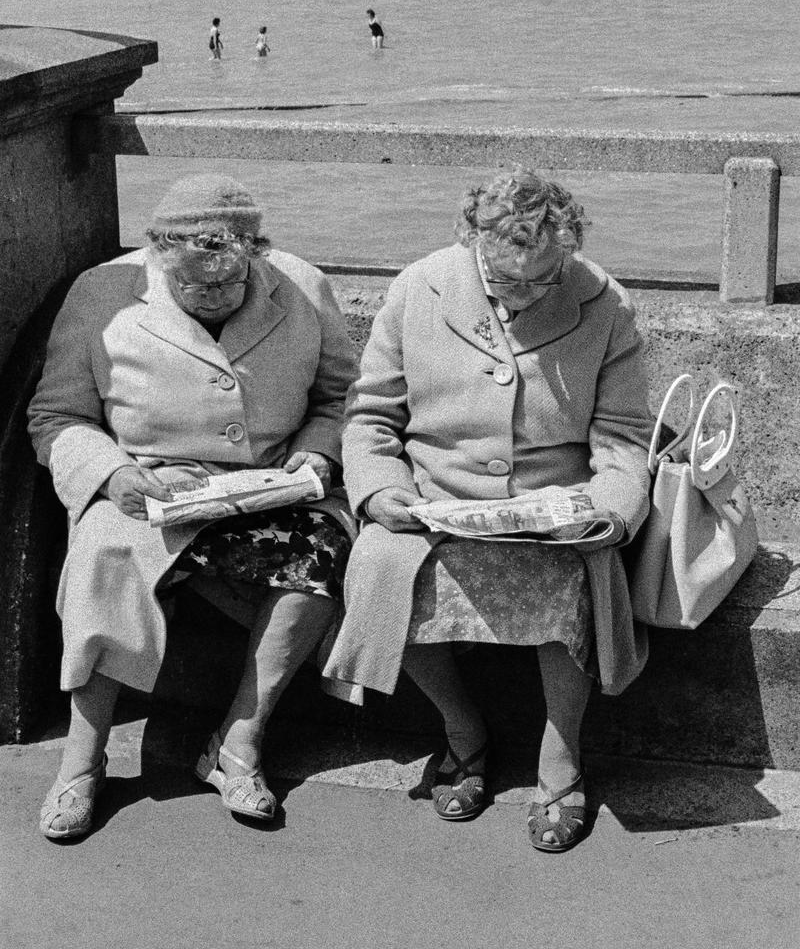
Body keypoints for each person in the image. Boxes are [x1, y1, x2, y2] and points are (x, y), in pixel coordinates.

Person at [324, 167, 653, 852]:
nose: (531, 293)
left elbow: (623, 439)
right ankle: (462, 729)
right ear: (473, 241)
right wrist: (382, 489)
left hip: (556, 504)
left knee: (574, 576)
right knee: (383, 564)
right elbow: (371, 417)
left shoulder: (605, 302)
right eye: (511, 280)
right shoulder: (420, 285)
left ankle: (560, 760)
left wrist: (607, 513)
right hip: (433, 500)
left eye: (547, 277)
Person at [29, 174, 358, 840]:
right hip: (151, 485)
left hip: (271, 483)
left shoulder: (300, 284)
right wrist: (109, 473)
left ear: (257, 257)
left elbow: (341, 395)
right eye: (193, 285)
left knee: (323, 555)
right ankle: (81, 761)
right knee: (106, 551)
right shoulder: (100, 294)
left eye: (226, 285)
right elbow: (57, 416)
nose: (211, 297)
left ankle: (239, 741)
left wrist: (319, 454)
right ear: (157, 258)